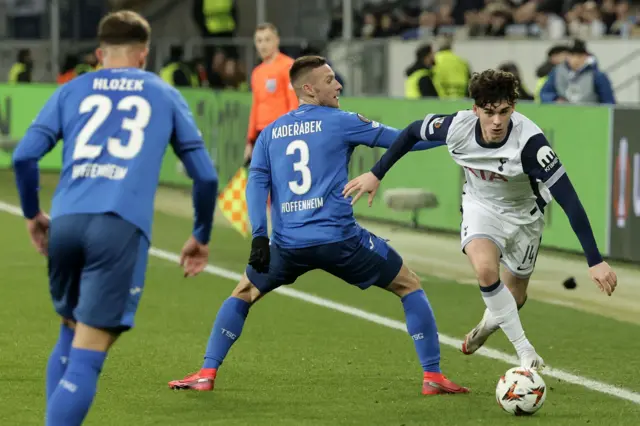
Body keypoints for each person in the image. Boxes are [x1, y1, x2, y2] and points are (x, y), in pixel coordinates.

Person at [168, 55, 469, 396]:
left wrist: (259, 238)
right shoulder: (341, 122)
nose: (338, 84)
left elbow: (256, 186)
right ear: (308, 89)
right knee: (408, 284)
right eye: (330, 81)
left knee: (244, 292)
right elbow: (404, 140)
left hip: (288, 244)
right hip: (340, 241)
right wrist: (458, 130)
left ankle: (207, 372)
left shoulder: (270, 133)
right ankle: (433, 376)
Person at [11, 10, 218, 426]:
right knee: (89, 356)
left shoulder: (73, 90)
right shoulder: (162, 93)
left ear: (99, 53)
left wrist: (33, 213)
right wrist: (199, 234)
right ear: (144, 54)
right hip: (118, 225)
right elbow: (207, 177)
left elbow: (23, 155)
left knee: (69, 331)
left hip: (66, 223)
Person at [344, 69, 618, 371]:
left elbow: (570, 200)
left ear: (513, 106)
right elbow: (411, 131)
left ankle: (487, 326)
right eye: (489, 112)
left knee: (514, 297)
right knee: (486, 271)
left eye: (503, 111)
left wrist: (594, 260)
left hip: (525, 219)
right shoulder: (457, 127)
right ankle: (525, 352)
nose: (497, 121)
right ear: (475, 109)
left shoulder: (531, 145)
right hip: (480, 207)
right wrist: (376, 173)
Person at [244, 22, 298, 164]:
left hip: (281, 133)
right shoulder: (257, 72)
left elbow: (293, 102)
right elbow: (256, 106)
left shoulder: (288, 66)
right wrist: (250, 140)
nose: (263, 45)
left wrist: (290, 134)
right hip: (261, 135)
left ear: (277, 41)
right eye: (259, 40)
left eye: (267, 39)